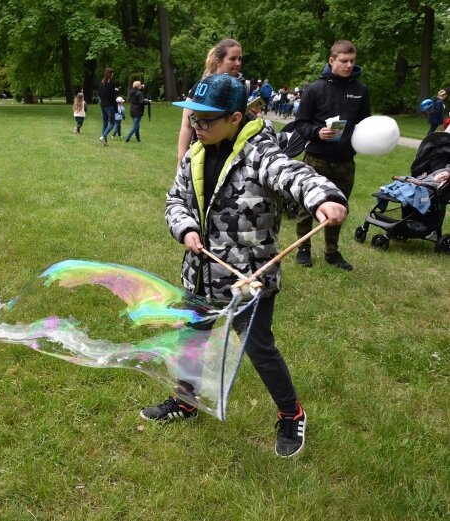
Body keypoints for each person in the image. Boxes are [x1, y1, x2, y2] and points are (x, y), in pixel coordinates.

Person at [141, 74, 349, 459]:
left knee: (258, 348)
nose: (196, 127)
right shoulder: (196, 155)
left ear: (235, 118)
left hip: (247, 278)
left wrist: (324, 197)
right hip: (201, 272)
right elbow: (176, 200)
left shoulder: (259, 154)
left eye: (205, 121)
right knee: (193, 337)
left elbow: (293, 174)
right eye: (193, 119)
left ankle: (291, 414)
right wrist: (185, 228)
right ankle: (186, 401)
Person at [294, 40, 371, 271]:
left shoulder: (360, 90)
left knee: (339, 207)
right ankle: (303, 249)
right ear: (331, 60)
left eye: (352, 61)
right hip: (317, 158)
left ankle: (332, 251)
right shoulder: (315, 88)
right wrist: (317, 132)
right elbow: (300, 124)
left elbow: (365, 125)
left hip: (345, 161)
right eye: (343, 61)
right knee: (306, 207)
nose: (348, 65)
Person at [177, 39, 244, 163]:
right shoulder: (202, 87)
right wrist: (181, 159)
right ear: (218, 61)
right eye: (233, 59)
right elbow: (187, 125)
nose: (238, 63)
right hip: (203, 153)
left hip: (232, 154)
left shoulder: (241, 88)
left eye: (240, 59)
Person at [98, 67, 117, 146]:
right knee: (112, 123)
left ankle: (105, 141)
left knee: (105, 123)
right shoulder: (111, 83)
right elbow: (112, 96)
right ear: (110, 74)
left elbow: (99, 94)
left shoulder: (101, 83)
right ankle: (103, 136)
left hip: (103, 105)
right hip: (110, 105)